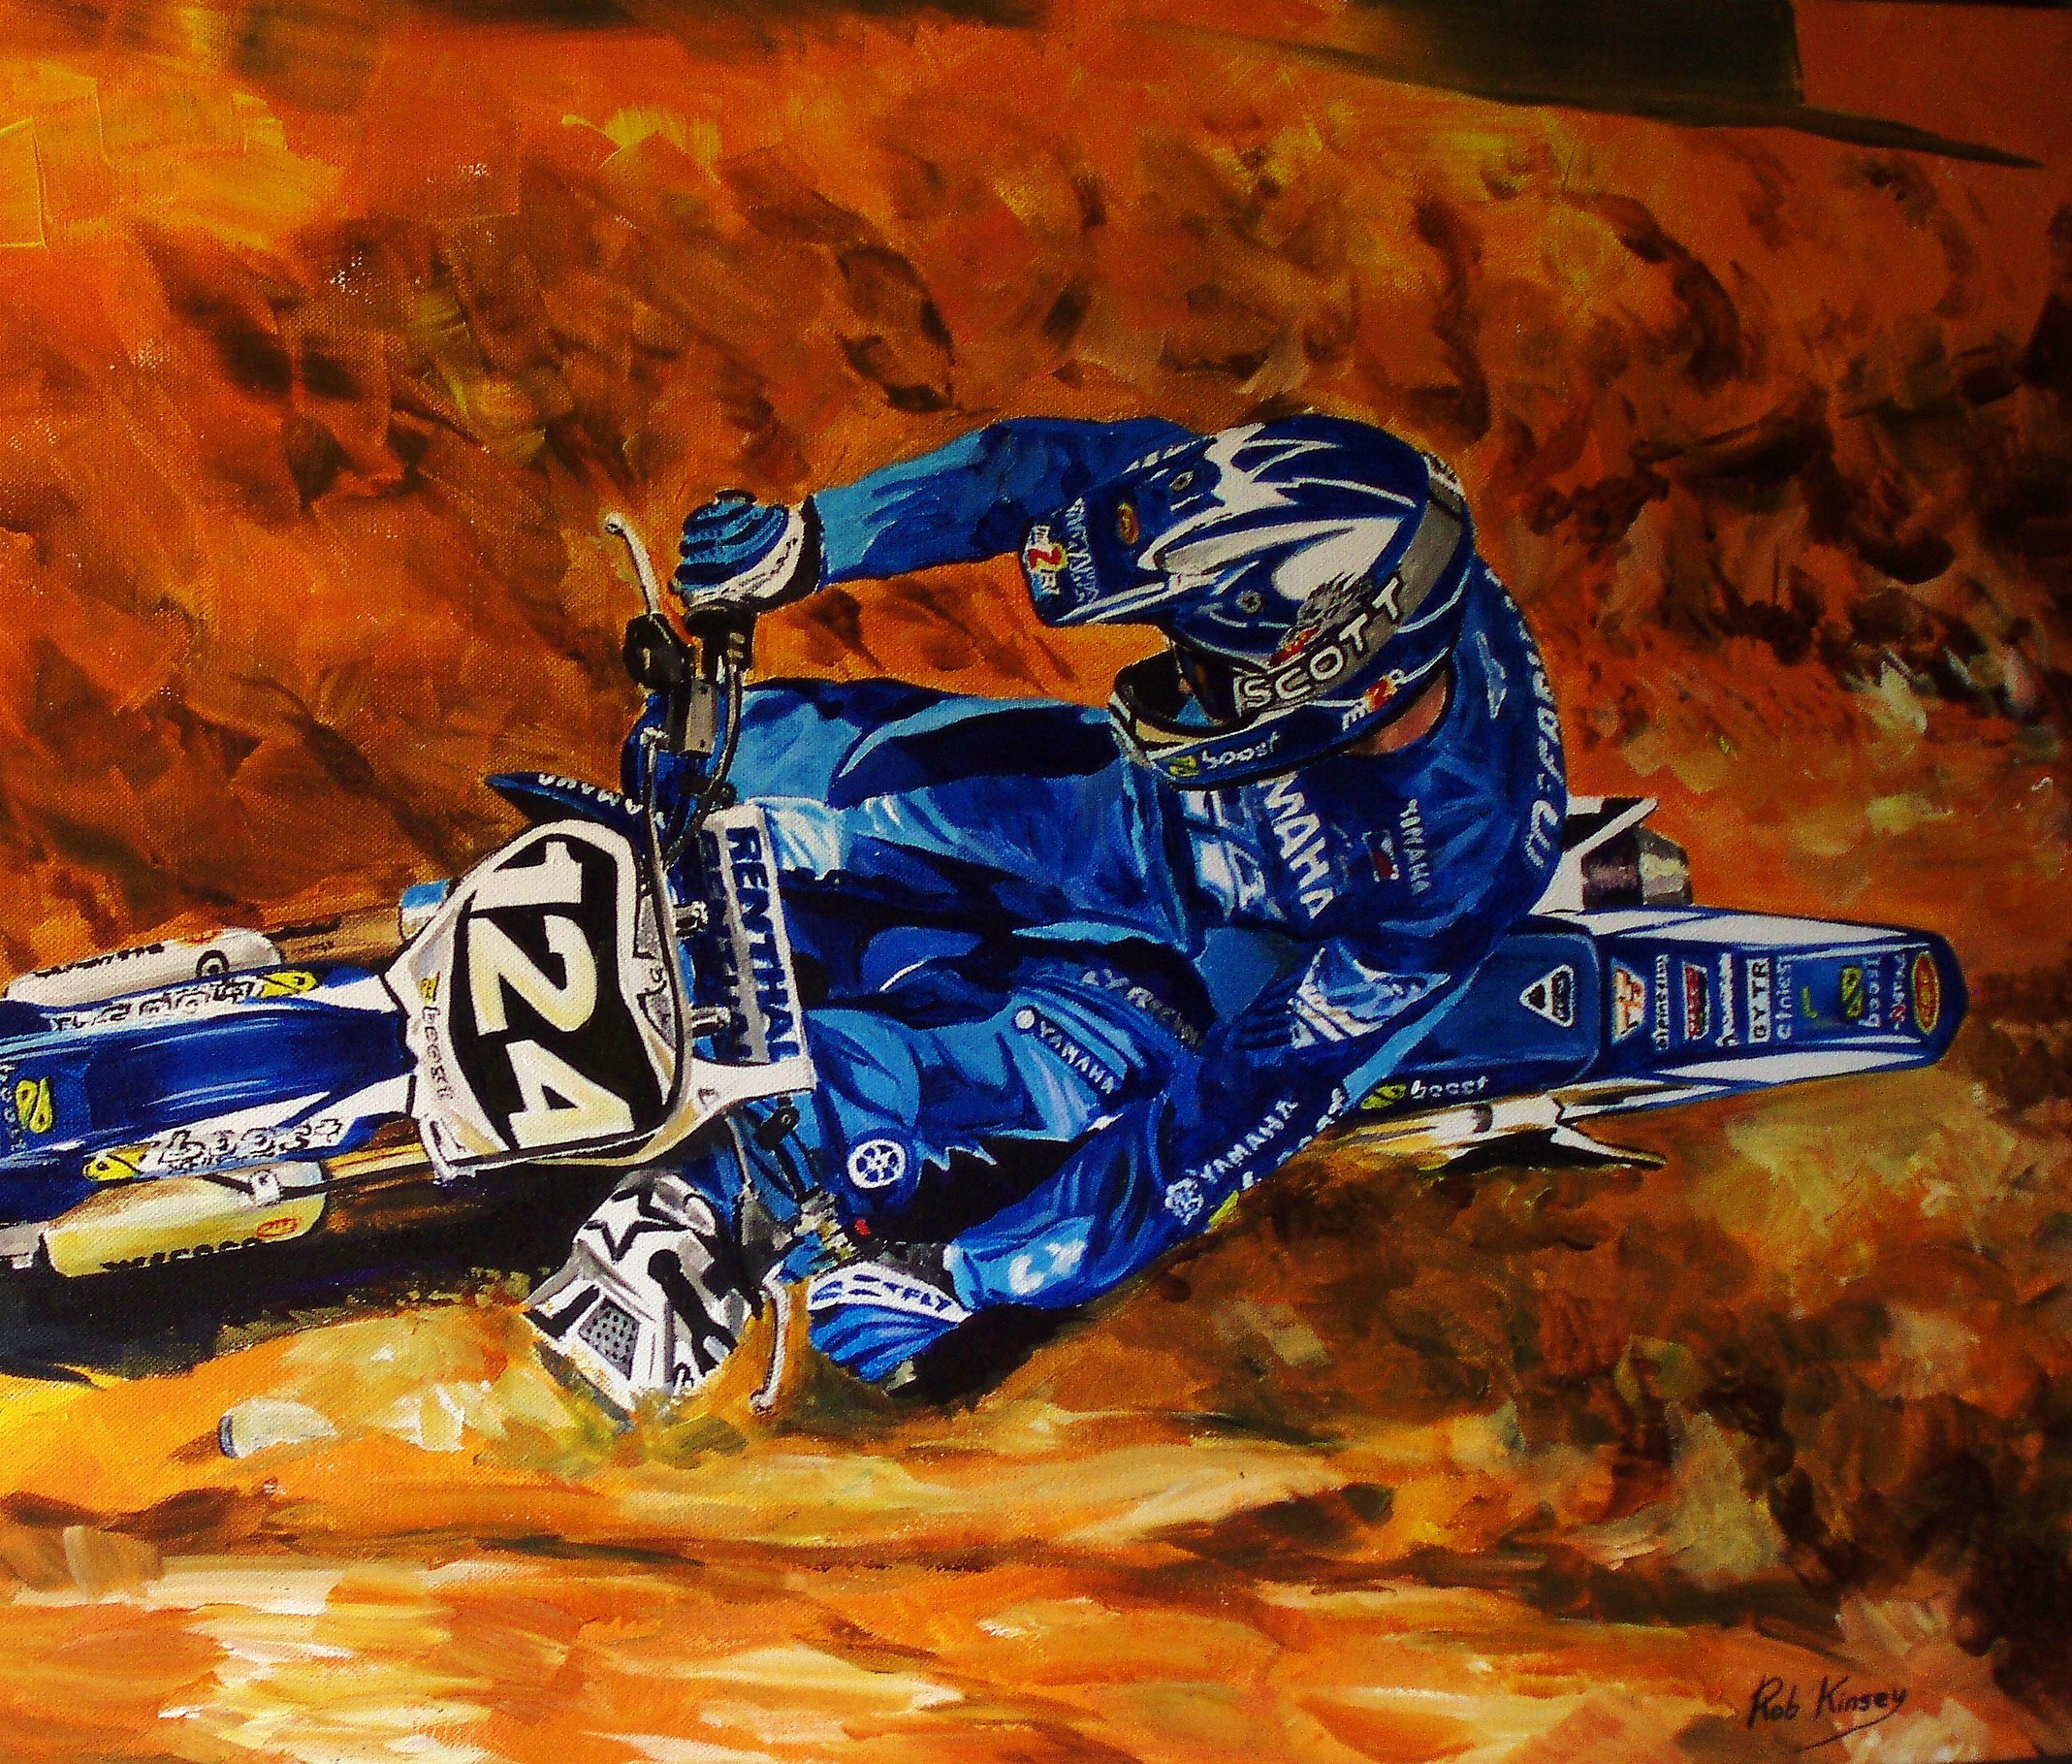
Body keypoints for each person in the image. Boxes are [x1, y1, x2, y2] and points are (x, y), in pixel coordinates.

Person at [525, 412, 1569, 1412]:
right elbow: (1029, 473)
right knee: (744, 762)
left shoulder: (1458, 871)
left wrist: (973, 1274)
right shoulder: (1264, 516)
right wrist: (810, 542)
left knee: (1013, 1055)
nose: (1177, 678)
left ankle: (729, 1203)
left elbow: (1221, 1126)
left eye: (1208, 674)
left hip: (1225, 966)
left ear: (1337, 680)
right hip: (1141, 807)